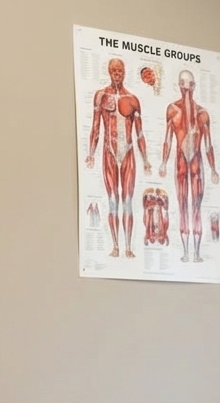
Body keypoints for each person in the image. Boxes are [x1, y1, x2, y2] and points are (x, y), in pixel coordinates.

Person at [85, 58, 151, 258]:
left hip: (128, 151)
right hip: (109, 152)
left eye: (120, 70)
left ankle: (129, 247)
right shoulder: (100, 96)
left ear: (125, 72)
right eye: (113, 70)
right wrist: (90, 153)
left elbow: (139, 133)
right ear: (108, 71)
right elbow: (96, 127)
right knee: (113, 200)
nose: (117, 73)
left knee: (128, 200)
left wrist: (146, 159)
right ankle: (115, 246)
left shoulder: (132, 99)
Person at [158, 70, 218, 263]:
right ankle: (186, 252)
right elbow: (167, 139)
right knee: (183, 204)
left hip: (197, 166)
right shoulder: (172, 110)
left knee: (197, 206)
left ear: (194, 86)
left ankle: (197, 253)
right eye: (183, 83)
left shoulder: (202, 114)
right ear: (179, 84)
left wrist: (213, 168)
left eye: (190, 84)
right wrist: (163, 163)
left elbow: (208, 144)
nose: (186, 88)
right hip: (181, 164)